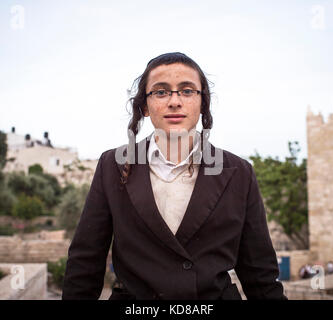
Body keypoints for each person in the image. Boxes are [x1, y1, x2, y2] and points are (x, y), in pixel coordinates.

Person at [62, 52, 287, 300]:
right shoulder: (111, 165)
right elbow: (86, 261)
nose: (174, 101)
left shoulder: (239, 172)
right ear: (145, 106)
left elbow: (260, 274)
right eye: (161, 92)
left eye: (187, 91)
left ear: (202, 102)